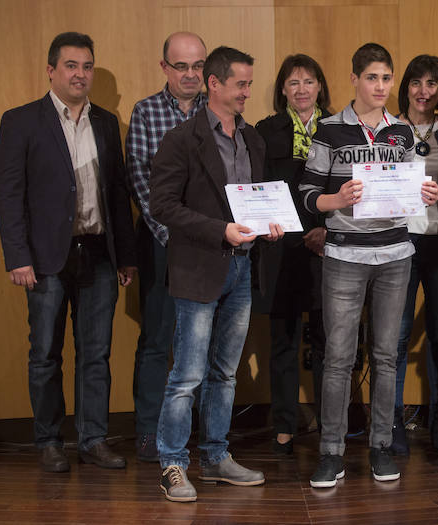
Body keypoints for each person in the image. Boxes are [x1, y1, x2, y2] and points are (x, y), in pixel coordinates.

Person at [0, 32, 138, 473]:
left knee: (96, 353)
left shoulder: (106, 122)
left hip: (97, 252)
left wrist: (126, 255)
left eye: (88, 66)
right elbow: (8, 194)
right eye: (72, 66)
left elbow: (117, 193)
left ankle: (93, 439)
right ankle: (49, 441)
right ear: (52, 70)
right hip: (43, 258)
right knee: (45, 353)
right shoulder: (21, 121)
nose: (81, 74)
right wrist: (18, 256)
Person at [300, 43, 438, 488]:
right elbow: (305, 194)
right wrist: (334, 200)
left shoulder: (402, 132)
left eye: (386, 78)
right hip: (343, 254)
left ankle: (381, 446)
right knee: (339, 358)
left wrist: (426, 195)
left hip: (396, 254)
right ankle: (331, 452)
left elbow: (413, 186)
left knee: (385, 356)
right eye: (372, 78)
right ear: (355, 79)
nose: (380, 87)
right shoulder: (329, 131)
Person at [151, 46, 284, 502]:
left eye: (249, 83)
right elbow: (163, 206)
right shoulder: (181, 138)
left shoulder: (254, 139)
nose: (248, 91)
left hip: (243, 268)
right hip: (198, 269)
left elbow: (258, 198)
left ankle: (215, 456)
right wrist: (220, 230)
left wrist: (271, 225)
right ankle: (171, 461)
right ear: (214, 83)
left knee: (224, 373)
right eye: (241, 84)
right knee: (186, 375)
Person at [126, 31, 208, 463]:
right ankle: (146, 432)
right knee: (157, 340)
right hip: (163, 246)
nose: (191, 74)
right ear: (165, 68)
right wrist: (172, 235)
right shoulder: (146, 112)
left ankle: (186, 435)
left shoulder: (219, 112)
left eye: (198, 66)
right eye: (182, 66)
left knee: (199, 343)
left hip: (211, 247)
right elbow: (140, 179)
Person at [255, 54, 331, 456]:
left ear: (320, 87)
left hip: (326, 247)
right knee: (282, 340)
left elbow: (351, 185)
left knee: (326, 341)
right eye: (293, 82)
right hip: (280, 246)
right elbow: (256, 186)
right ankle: (284, 423)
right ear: (282, 89)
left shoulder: (339, 128)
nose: (302, 89)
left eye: (309, 81)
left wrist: (327, 229)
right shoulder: (266, 130)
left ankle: (328, 422)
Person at [390, 54, 438, 455]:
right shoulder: (387, 130)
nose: (423, 91)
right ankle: (391, 422)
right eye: (416, 82)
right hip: (398, 243)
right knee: (395, 337)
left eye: (432, 83)